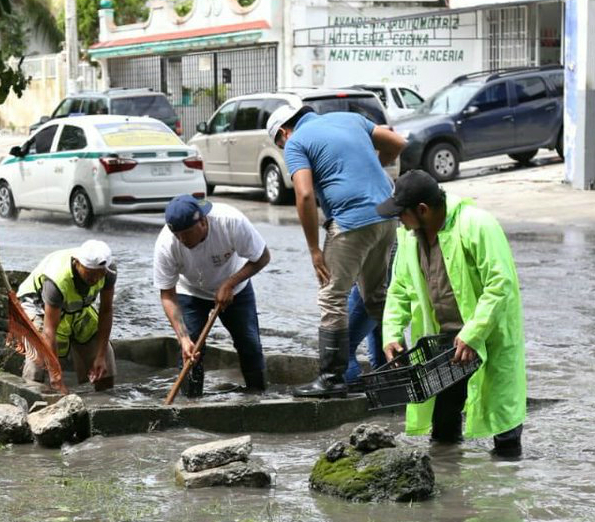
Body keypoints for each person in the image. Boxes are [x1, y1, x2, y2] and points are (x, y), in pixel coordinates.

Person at [378, 170, 527, 459]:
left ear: (422, 209)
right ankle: (449, 482)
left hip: (488, 336)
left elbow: (500, 284)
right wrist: (392, 334)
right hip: (444, 343)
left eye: (402, 213)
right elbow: (399, 289)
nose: (399, 220)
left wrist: (473, 333)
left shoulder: (477, 225)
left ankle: (506, 480)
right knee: (443, 430)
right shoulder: (409, 237)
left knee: (503, 420)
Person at [265, 105, 406, 397]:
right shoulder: (350, 118)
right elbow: (397, 143)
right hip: (387, 217)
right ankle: (400, 371)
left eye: (279, 144)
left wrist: (314, 249)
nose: (283, 148)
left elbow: (304, 194)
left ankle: (331, 378)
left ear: (283, 132)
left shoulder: (296, 142)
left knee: (332, 297)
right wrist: (372, 169)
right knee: (377, 296)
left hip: (350, 222)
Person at [155, 195, 270, 397]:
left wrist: (230, 283)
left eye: (186, 234)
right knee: (191, 351)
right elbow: (167, 294)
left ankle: (257, 395)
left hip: (235, 287)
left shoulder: (230, 221)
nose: (182, 240)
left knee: (249, 344)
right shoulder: (166, 244)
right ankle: (191, 403)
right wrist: (183, 338)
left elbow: (262, 257)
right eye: (177, 235)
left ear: (202, 221)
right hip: (190, 291)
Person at [18, 240, 118, 391]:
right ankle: (31, 393)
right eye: (90, 273)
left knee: (104, 358)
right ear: (77, 263)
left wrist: (100, 356)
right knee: (38, 355)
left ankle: (104, 397)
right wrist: (56, 377)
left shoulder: (108, 271)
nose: (95, 279)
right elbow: (49, 331)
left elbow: (106, 311)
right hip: (37, 304)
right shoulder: (57, 280)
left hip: (76, 305)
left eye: (100, 274)